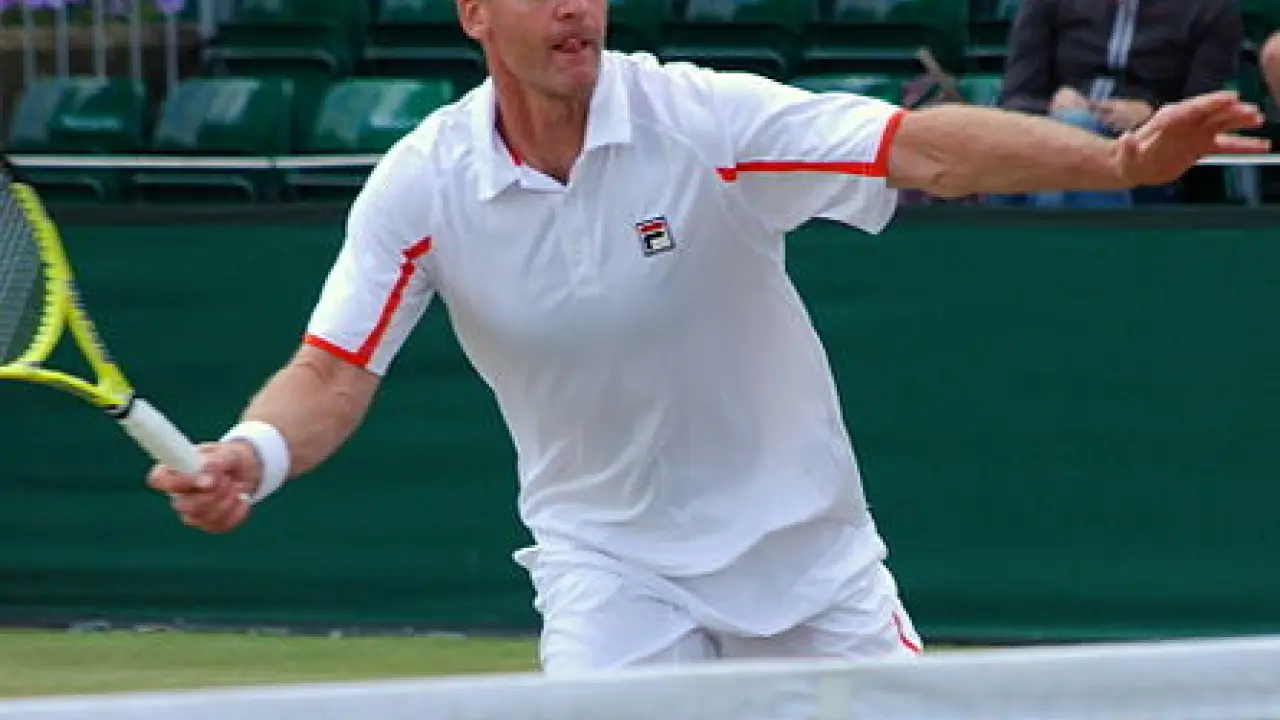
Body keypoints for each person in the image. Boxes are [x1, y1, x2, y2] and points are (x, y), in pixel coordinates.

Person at [146, 0, 1266, 675]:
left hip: (808, 565)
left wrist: (1115, 162)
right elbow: (332, 370)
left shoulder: (702, 120)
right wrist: (256, 452)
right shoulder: (423, 183)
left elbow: (919, 148)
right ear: (472, 12)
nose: (575, 10)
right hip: (611, 573)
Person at [996, 0, 1243, 208]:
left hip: (1149, 164)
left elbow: (1205, 114)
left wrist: (1151, 116)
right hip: (1050, 142)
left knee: (1071, 138)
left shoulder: (1210, 9)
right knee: (1064, 130)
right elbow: (1016, 100)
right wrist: (1052, 105)